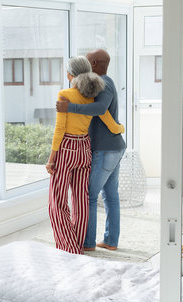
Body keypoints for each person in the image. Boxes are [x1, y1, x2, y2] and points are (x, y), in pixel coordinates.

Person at [47, 56, 124, 254]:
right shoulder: (91, 96)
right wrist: (119, 128)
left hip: (67, 148)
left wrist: (51, 158)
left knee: (57, 201)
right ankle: (82, 242)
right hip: (84, 150)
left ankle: (71, 247)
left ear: (70, 75)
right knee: (81, 199)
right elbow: (106, 116)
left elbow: (59, 129)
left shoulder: (64, 94)